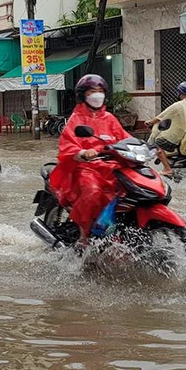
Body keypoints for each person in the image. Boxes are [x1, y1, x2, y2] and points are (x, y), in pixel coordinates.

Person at [48, 75, 131, 245]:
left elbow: (126, 139)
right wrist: (83, 152)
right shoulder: (76, 119)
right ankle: (84, 235)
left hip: (111, 167)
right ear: (83, 95)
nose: (97, 95)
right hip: (85, 168)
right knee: (92, 192)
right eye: (93, 92)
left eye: (100, 91)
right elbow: (68, 145)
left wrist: (146, 147)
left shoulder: (110, 118)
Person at [145, 81, 186, 177]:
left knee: (157, 144)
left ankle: (167, 169)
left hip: (181, 136)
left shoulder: (179, 105)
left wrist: (150, 122)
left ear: (180, 93)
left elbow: (162, 116)